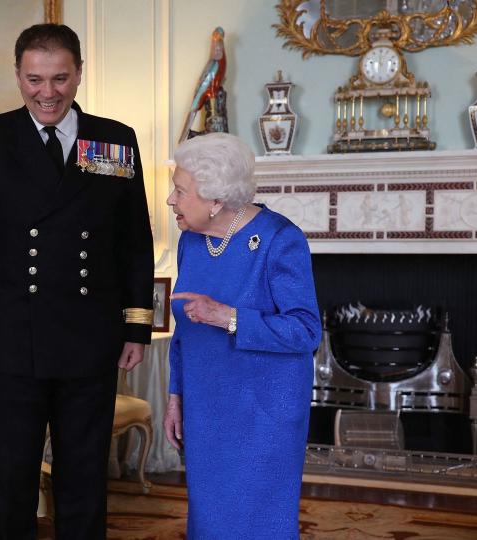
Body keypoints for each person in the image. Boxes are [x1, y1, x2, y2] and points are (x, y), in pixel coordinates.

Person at [0, 23, 154, 539]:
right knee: (13, 475)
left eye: (60, 78)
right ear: (18, 76)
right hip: (13, 336)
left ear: (79, 74)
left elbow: (134, 240)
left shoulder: (115, 139)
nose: (48, 92)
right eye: (35, 79)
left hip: (92, 334)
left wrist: (136, 326)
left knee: (85, 474)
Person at [162, 133, 321, 539]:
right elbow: (184, 332)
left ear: (216, 199)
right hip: (206, 406)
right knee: (209, 520)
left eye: (180, 191)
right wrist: (175, 396)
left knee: (257, 522)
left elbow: (305, 331)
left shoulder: (279, 240)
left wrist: (229, 317)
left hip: (263, 412)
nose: (170, 201)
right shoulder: (191, 242)